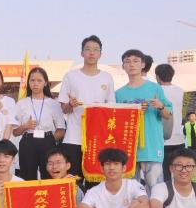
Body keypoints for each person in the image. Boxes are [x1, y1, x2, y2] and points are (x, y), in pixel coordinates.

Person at [58, 35, 116, 178]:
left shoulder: (107, 78)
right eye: (88, 49)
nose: (91, 53)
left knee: (96, 182)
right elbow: (63, 108)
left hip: (98, 139)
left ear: (100, 54)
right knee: (73, 181)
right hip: (74, 138)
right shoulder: (71, 76)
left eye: (96, 50)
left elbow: (112, 110)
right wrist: (70, 105)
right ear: (82, 53)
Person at [115, 49, 172, 190]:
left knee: (156, 191)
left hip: (151, 148)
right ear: (123, 66)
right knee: (130, 192)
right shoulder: (118, 94)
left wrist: (160, 106)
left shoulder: (155, 89)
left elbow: (168, 115)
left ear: (143, 65)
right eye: (127, 61)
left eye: (135, 61)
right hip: (128, 150)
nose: (131, 64)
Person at [13, 68, 66, 181]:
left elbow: (61, 130)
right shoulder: (21, 103)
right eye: (32, 80)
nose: (35, 83)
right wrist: (25, 126)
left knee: (49, 177)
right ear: (28, 82)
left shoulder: (53, 104)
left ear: (45, 82)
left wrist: (49, 140)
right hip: (28, 142)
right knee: (27, 178)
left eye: (39, 80)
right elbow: (15, 132)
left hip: (48, 142)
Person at [155, 64, 184, 182]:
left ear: (157, 77)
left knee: (164, 174)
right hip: (179, 138)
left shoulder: (157, 90)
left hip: (162, 139)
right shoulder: (180, 90)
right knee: (178, 172)